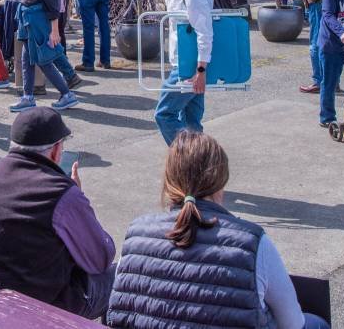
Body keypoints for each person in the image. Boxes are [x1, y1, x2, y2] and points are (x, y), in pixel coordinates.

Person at [107, 131, 329, 329]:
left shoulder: (136, 234)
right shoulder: (252, 243)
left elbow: (116, 309)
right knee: (316, 323)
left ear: (168, 180)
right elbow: (293, 322)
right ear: (221, 182)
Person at [0, 107, 116, 320]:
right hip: (36, 312)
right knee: (127, 275)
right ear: (56, 151)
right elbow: (100, 258)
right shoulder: (61, 194)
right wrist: (79, 201)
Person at [138, 0, 214, 146]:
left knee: (164, 114)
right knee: (190, 120)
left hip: (188, 65)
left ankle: (187, 158)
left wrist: (201, 70)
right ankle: (199, 162)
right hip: (188, 62)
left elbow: (204, 33)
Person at [9, 0, 80, 113]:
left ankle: (67, 94)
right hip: (30, 25)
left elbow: (53, 7)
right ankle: (28, 97)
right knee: (27, 61)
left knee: (44, 61)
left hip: (38, 26)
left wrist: (54, 31)